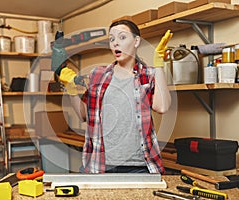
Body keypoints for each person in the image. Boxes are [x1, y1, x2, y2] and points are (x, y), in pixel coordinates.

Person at [57, 19, 172, 174]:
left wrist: (158, 66)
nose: (115, 43)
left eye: (122, 37)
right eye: (112, 39)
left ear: (136, 41)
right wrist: (70, 89)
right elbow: (83, 114)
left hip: (139, 166)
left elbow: (162, 107)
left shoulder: (148, 74)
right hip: (100, 164)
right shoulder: (97, 74)